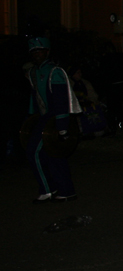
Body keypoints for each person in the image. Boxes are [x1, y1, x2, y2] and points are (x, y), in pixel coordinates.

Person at [25, 36, 82, 203]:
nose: (36, 54)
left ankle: (50, 189)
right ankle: (61, 189)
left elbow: (61, 100)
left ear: (47, 52)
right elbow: (34, 98)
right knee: (51, 154)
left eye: (40, 51)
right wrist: (31, 118)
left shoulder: (54, 72)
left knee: (36, 152)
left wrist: (62, 126)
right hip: (43, 118)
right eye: (34, 51)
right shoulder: (33, 73)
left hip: (53, 118)